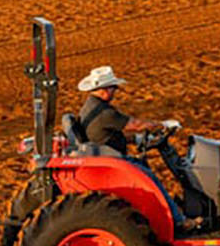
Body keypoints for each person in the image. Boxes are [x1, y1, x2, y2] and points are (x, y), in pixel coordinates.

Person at [74, 65, 200, 229]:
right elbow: (135, 124)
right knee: (150, 178)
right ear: (104, 89)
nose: (115, 92)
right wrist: (162, 124)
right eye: (114, 88)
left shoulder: (90, 107)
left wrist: (137, 139)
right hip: (112, 160)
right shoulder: (104, 112)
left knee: (144, 168)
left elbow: (110, 133)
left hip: (106, 153)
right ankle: (178, 221)